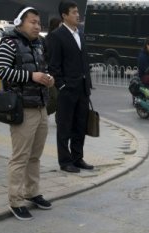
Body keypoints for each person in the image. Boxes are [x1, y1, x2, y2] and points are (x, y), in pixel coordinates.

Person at [0, 6, 54, 221]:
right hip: (22, 109)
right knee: (20, 157)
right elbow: (1, 70)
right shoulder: (9, 43)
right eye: (33, 22)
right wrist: (32, 76)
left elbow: (42, 71)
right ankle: (16, 200)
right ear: (20, 22)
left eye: (39, 23)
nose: (37, 26)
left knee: (35, 156)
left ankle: (32, 192)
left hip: (40, 107)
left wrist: (48, 78)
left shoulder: (38, 44)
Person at [47, 0, 93, 173]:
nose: (77, 14)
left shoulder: (80, 34)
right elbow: (54, 66)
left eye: (77, 12)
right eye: (73, 12)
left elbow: (84, 60)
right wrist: (62, 85)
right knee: (65, 126)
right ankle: (65, 161)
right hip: (67, 90)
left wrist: (87, 83)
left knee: (80, 125)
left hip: (82, 88)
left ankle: (77, 157)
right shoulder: (56, 36)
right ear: (64, 15)